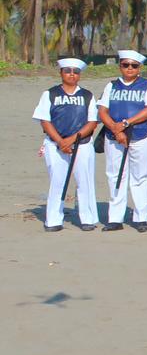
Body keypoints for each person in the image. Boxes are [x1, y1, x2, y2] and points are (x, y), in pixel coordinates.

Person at [98, 49, 147, 231]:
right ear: (120, 66)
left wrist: (126, 123)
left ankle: (140, 217)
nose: (129, 68)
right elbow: (102, 110)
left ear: (139, 68)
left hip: (140, 135)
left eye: (134, 65)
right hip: (114, 137)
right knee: (115, 175)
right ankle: (115, 218)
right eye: (125, 65)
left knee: (140, 176)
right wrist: (116, 129)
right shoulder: (111, 86)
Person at [33, 58, 99, 232]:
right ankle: (54, 219)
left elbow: (92, 122)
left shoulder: (87, 96)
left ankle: (87, 218)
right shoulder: (50, 94)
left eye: (75, 72)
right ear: (61, 73)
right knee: (57, 180)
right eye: (68, 71)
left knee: (84, 181)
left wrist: (72, 140)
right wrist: (60, 141)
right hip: (55, 144)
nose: (72, 74)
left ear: (79, 75)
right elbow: (45, 120)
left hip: (82, 144)